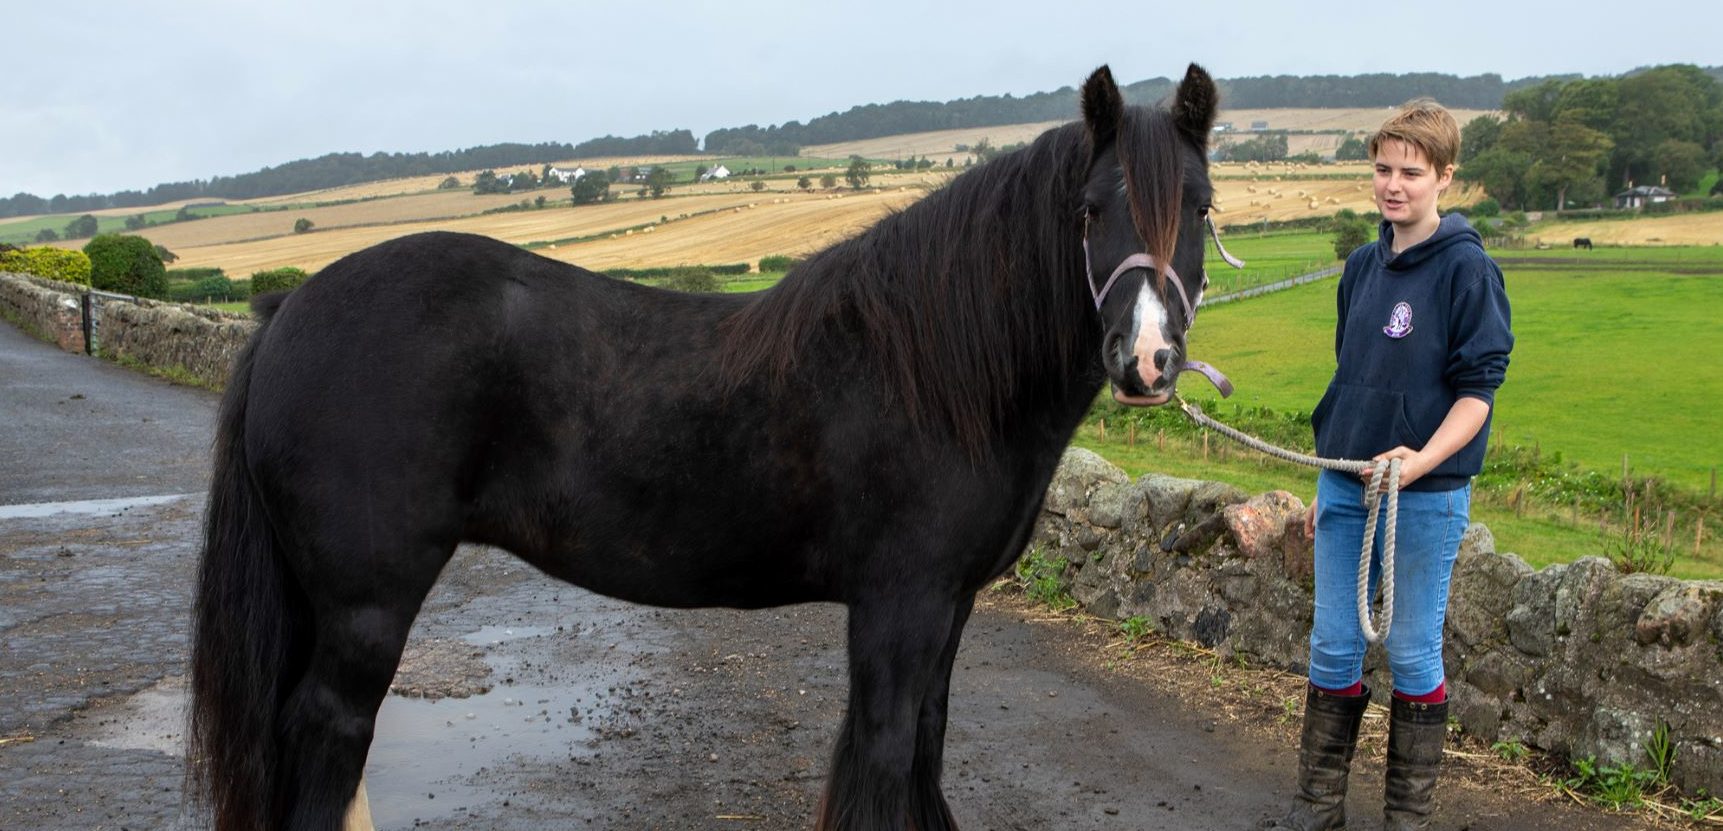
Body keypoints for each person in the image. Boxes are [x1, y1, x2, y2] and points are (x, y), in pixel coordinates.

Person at [1264, 99, 1513, 831]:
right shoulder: (1362, 266)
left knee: (1408, 649)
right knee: (1334, 644)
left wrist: (1417, 461)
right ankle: (1316, 810)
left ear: (1444, 177)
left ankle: (1406, 819)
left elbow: (1478, 395)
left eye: (1410, 171)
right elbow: (1351, 375)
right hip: (1343, 489)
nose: (1392, 185)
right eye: (1382, 169)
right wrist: (1325, 477)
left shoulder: (1468, 270)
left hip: (1424, 496)